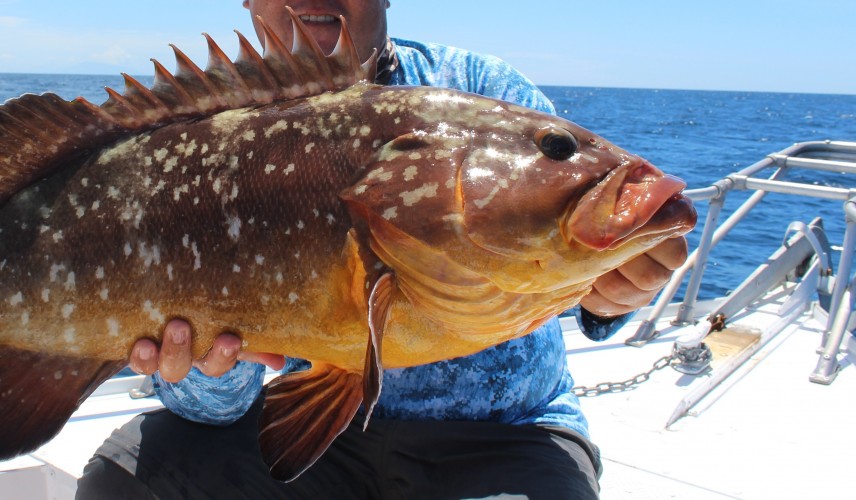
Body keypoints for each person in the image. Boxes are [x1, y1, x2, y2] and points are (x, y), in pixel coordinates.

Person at [77, 1, 689, 499]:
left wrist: (617, 294)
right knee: (121, 482)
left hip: (505, 439)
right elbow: (213, 410)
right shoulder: (200, 132)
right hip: (317, 445)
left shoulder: (482, 89)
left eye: (554, 147)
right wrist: (208, 369)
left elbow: (581, 274)